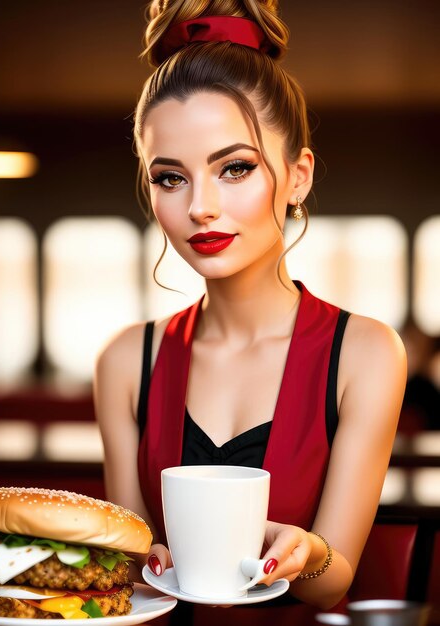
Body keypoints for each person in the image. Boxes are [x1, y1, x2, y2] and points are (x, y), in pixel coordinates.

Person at [93, 0, 407, 622]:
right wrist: (137, 563)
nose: (201, 208)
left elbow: (328, 582)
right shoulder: (127, 359)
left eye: (234, 168)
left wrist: (311, 552)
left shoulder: (366, 352)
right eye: (170, 178)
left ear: (297, 177)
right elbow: (131, 566)